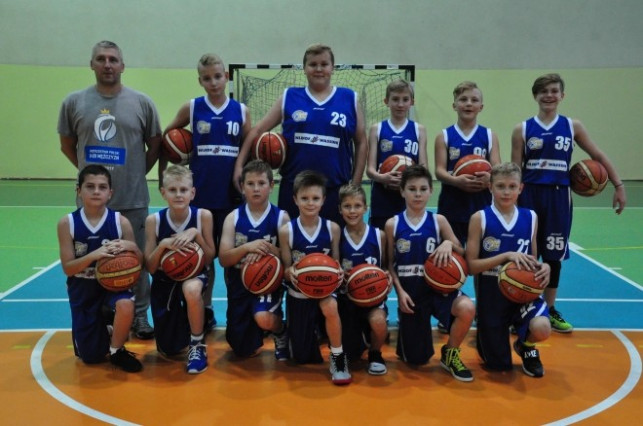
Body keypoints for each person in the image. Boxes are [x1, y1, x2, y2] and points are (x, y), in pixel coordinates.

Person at [58, 40, 161, 340]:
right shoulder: (74, 102)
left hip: (132, 198)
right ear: (91, 64)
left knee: (135, 259)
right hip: (92, 204)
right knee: (92, 260)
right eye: (101, 59)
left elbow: (155, 145)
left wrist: (136, 174)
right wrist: (91, 177)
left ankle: (139, 314)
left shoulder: (142, 102)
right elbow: (67, 145)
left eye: (113, 59)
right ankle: (102, 313)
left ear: (122, 66)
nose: (107, 64)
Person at [511, 73, 627, 333]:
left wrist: (618, 185)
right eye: (543, 91)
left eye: (554, 91)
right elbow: (516, 169)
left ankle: (549, 308)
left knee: (553, 254)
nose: (549, 95)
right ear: (535, 96)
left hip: (558, 196)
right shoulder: (522, 129)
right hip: (529, 195)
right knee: (526, 253)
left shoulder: (572, 126)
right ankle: (522, 307)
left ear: (562, 95)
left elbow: (597, 155)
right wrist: (510, 201)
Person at [164, 53, 252, 331]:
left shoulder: (241, 110)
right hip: (201, 196)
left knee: (232, 258)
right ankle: (206, 307)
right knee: (203, 258)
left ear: (226, 76)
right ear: (200, 80)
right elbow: (169, 137)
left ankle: (237, 309)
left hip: (232, 196)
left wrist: (243, 173)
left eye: (217, 76)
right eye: (206, 78)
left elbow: (249, 145)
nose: (213, 82)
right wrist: (172, 164)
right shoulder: (192, 107)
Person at [234, 43, 368, 225]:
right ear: (304, 68)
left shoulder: (350, 98)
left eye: (324, 64)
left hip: (335, 189)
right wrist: (239, 166)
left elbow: (361, 142)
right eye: (313, 64)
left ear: (333, 68)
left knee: (334, 241)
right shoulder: (289, 97)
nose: (318, 69)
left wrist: (356, 183)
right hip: (294, 189)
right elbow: (257, 131)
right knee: (289, 240)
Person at [385, 165, 475, 382]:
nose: (418, 194)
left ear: (431, 191)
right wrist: (400, 293)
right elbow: (389, 264)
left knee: (467, 308)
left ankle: (450, 353)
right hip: (411, 295)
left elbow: (463, 252)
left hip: (439, 290)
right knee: (416, 360)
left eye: (423, 189)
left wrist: (448, 243)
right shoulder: (392, 224)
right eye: (412, 189)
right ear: (402, 191)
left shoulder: (438, 221)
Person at [466, 162, 551, 377]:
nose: (506, 192)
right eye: (501, 186)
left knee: (542, 327)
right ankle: (486, 333)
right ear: (490, 187)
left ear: (520, 188)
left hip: (524, 293)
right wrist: (505, 256)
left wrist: (545, 267)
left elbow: (533, 260)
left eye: (512, 186)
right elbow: (471, 267)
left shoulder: (531, 217)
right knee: (498, 366)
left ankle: (526, 346)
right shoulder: (480, 218)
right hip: (492, 296)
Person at [57, 165, 143, 373]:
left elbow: (139, 262)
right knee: (91, 357)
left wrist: (133, 248)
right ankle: (108, 325)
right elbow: (68, 268)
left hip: (114, 285)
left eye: (102, 187)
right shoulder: (67, 223)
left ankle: (117, 350)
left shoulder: (120, 222)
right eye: (90, 186)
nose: (96, 191)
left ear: (110, 193)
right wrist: (94, 255)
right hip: (83, 286)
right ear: (79, 190)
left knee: (126, 303)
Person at [278, 170, 351, 385]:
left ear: (323, 200)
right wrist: (291, 272)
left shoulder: (332, 228)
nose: (310, 203)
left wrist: (338, 273)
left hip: (326, 290)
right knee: (301, 357)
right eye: (305, 198)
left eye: (315, 198)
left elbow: (336, 263)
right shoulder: (287, 231)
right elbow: (286, 269)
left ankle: (338, 356)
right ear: (295, 199)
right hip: (299, 292)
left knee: (330, 305)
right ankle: (301, 335)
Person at [144, 165, 215, 374]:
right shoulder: (154, 221)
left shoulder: (203, 216)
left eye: (183, 190)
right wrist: (162, 245)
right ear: (163, 192)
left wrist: (196, 234)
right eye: (172, 190)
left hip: (195, 274)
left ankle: (197, 344)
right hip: (164, 278)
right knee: (169, 349)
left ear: (192, 193)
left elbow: (209, 257)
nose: (178, 195)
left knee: (191, 289)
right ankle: (183, 326)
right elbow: (150, 267)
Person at [218, 160, 290, 360]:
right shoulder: (233, 218)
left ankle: (280, 331)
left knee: (263, 318)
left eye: (261, 183)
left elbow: (288, 259)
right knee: (240, 347)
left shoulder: (281, 217)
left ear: (271, 186)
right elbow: (223, 259)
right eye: (250, 184)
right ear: (242, 187)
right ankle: (254, 330)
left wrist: (266, 249)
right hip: (240, 282)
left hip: (268, 283)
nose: (256, 188)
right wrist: (247, 247)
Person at [337, 183, 390, 375]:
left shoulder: (379, 235)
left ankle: (375, 353)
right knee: (352, 355)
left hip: (373, 298)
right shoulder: (337, 236)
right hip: (347, 299)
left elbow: (386, 266)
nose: (352, 211)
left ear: (365, 208)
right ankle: (359, 339)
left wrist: (386, 277)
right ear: (340, 209)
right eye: (347, 206)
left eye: (357, 206)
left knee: (379, 321)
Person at [366, 79, 428, 230]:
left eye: (405, 99)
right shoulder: (377, 129)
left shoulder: (419, 130)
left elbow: (423, 167)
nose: (400, 104)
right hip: (382, 197)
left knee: (406, 239)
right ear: (386, 101)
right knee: (381, 239)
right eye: (395, 99)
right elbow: (370, 170)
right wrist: (383, 178)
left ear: (412, 102)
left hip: (409, 197)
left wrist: (409, 181)